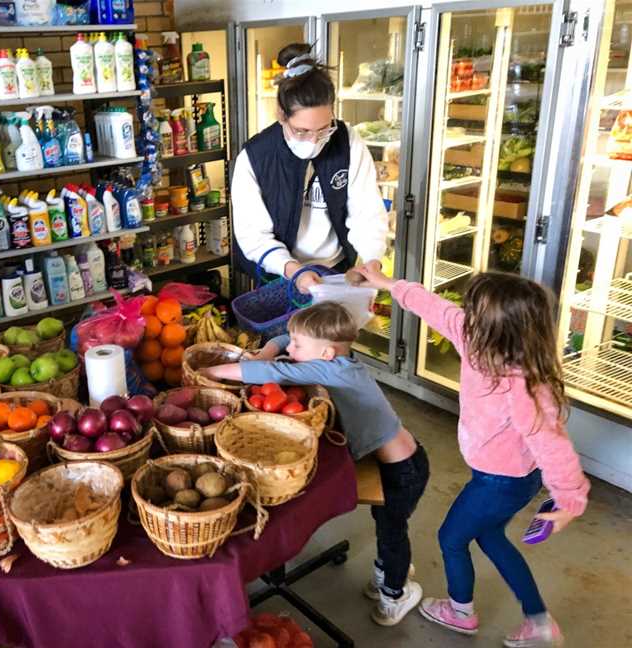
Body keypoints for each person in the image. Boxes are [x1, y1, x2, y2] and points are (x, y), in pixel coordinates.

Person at [355, 266, 590, 647]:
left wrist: (569, 500)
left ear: (498, 331)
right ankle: (539, 622)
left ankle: (460, 612)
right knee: (491, 537)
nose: (464, 316)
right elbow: (431, 306)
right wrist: (384, 284)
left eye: (474, 313)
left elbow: (552, 443)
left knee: (451, 538)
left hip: (503, 482)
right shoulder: (473, 337)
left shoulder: (523, 382)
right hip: (499, 477)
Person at [200, 301, 429, 626]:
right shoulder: (337, 359)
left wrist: (210, 372)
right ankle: (391, 568)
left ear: (325, 353)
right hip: (396, 460)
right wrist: (270, 347)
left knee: (392, 530)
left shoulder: (331, 369)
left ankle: (397, 591)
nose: (290, 347)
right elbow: (280, 343)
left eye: (298, 345)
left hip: (404, 469)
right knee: (387, 523)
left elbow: (271, 371)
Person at [230, 43, 390, 293]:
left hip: (336, 271)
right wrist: (294, 271)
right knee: (290, 334)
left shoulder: (347, 142)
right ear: (281, 114)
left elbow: (367, 211)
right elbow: (253, 236)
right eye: (301, 131)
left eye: (323, 129)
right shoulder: (255, 157)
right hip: (282, 273)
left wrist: (371, 260)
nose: (314, 141)